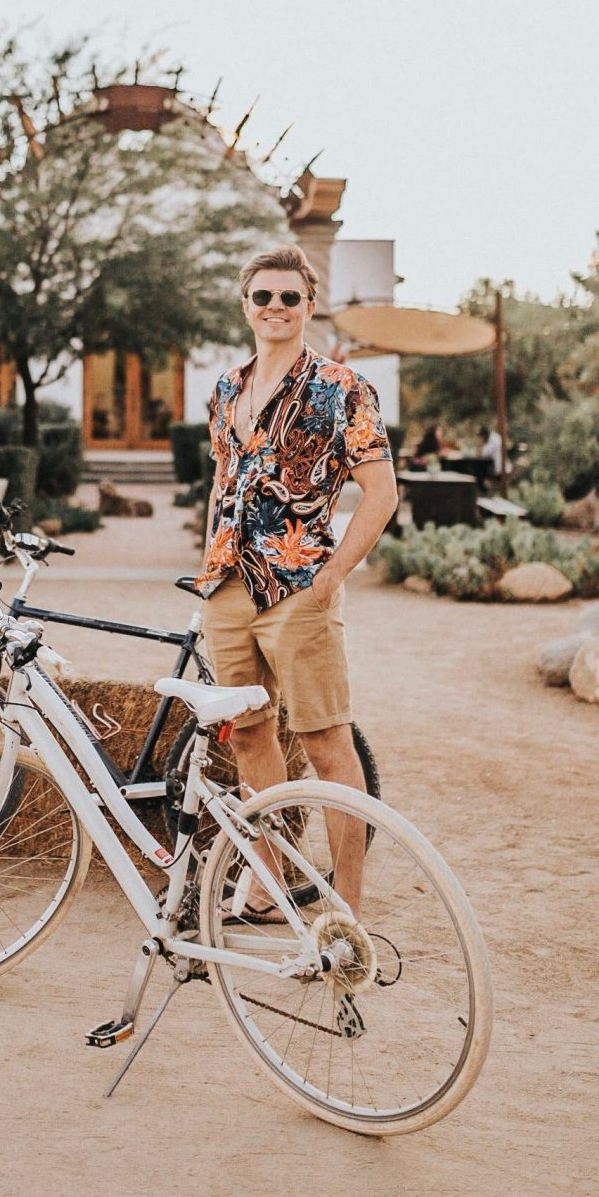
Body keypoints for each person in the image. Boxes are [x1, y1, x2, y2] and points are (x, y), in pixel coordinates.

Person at [196, 244, 398, 918]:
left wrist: (334, 572)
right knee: (250, 733)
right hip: (229, 588)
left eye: (289, 297)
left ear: (309, 306)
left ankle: (349, 902)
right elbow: (223, 483)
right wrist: (208, 564)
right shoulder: (226, 388)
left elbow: (381, 492)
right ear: (246, 305)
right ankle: (269, 880)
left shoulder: (343, 389)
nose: (275, 308)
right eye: (263, 297)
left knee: (325, 742)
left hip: (300, 585)